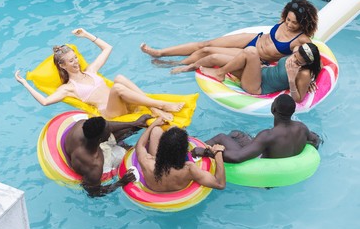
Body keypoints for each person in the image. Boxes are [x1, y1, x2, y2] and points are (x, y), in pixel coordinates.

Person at [15, 28, 184, 121]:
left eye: (76, 58)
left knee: (119, 78)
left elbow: (108, 48)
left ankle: (154, 107)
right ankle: (161, 105)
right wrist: (25, 83)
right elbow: (45, 102)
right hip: (111, 113)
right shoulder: (68, 88)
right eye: (71, 61)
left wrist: (87, 35)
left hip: (123, 103)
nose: (76, 62)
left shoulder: (91, 71)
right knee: (117, 87)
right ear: (62, 65)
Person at [141, 0, 318, 71]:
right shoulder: (284, 19)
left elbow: (308, 57)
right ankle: (160, 52)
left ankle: (176, 63)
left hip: (256, 56)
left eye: (294, 23)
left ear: (303, 23)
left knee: (209, 51)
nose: (289, 24)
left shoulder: (301, 39)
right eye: (288, 19)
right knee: (206, 43)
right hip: (253, 39)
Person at [191, 94, 321, 163]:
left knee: (222, 137)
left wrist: (207, 153)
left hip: (262, 167)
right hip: (280, 163)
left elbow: (237, 157)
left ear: (273, 109)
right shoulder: (302, 128)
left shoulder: (268, 135)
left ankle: (193, 154)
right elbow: (316, 140)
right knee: (237, 134)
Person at [64, 113, 152, 197]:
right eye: (108, 131)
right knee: (130, 151)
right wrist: (121, 182)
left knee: (132, 129)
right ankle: (123, 146)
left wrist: (134, 123)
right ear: (101, 139)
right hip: (98, 158)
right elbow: (93, 192)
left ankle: (135, 127)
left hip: (93, 146)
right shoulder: (94, 165)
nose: (110, 129)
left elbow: (108, 125)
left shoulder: (81, 125)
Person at [198, 42, 321, 103]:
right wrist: (313, 80)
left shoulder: (304, 74)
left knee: (251, 51)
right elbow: (320, 64)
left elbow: (298, 99)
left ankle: (220, 73)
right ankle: (185, 67)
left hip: (257, 87)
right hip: (258, 73)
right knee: (215, 58)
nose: (294, 59)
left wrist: (291, 80)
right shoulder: (298, 51)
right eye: (294, 56)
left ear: (306, 63)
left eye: (298, 62)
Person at [135, 117, 226, 192]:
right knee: (174, 129)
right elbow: (220, 184)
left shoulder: (147, 162)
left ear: (161, 146)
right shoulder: (189, 169)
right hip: (178, 180)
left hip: (156, 179)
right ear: (185, 150)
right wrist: (218, 152)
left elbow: (140, 145)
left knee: (156, 130)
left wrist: (153, 124)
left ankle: (159, 132)